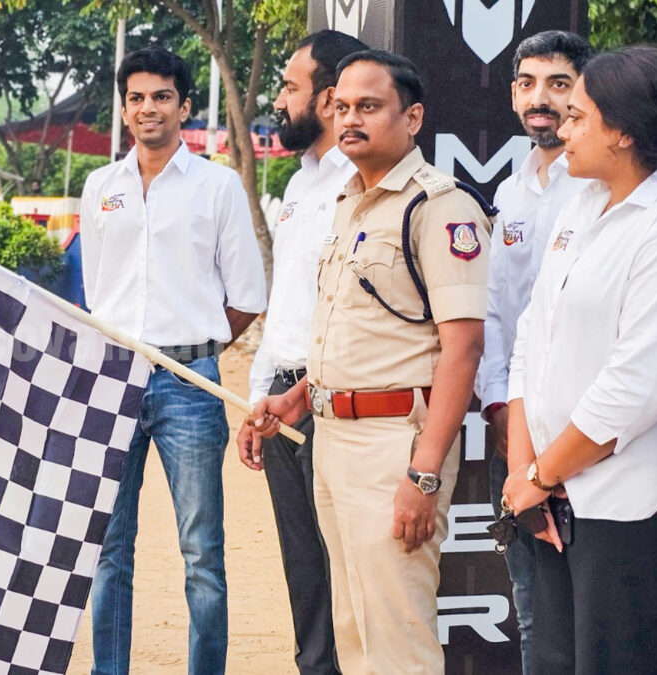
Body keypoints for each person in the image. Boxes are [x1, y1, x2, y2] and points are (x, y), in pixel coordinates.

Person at [252, 50, 493, 673]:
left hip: (394, 449)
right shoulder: (345, 202)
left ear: (411, 117)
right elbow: (356, 335)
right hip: (330, 440)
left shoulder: (440, 208)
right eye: (341, 106)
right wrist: (297, 397)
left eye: (369, 106)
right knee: (354, 633)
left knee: (397, 642)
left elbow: (462, 350)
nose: (349, 118)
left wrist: (423, 475)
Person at [499, 45, 657, 674]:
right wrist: (526, 470)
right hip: (554, 501)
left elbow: (638, 387)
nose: (562, 124)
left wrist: (538, 477)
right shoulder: (581, 202)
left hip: (625, 510)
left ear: (626, 132)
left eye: (579, 115)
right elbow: (532, 335)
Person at [81, 46, 267, 675]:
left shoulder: (217, 186)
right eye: (135, 97)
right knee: (109, 551)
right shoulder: (99, 188)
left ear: (184, 106)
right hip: (110, 382)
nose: (147, 108)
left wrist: (195, 348)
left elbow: (245, 297)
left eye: (161, 96)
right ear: (124, 108)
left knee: (202, 554)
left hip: (190, 383)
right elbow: (97, 288)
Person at [237, 29, 365, 675]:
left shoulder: (363, 185)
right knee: (304, 571)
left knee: (348, 572)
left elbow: (351, 316)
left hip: (336, 401)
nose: (278, 99)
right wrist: (261, 393)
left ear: (330, 96)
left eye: (290, 86)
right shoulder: (297, 185)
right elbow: (285, 303)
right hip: (282, 400)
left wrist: (298, 393)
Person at [473, 30, 592, 671]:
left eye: (558, 83)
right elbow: (496, 310)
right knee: (534, 610)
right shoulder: (512, 191)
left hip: (589, 435)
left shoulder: (603, 183)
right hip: (513, 430)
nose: (539, 99)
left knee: (595, 615)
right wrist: (497, 406)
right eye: (527, 84)